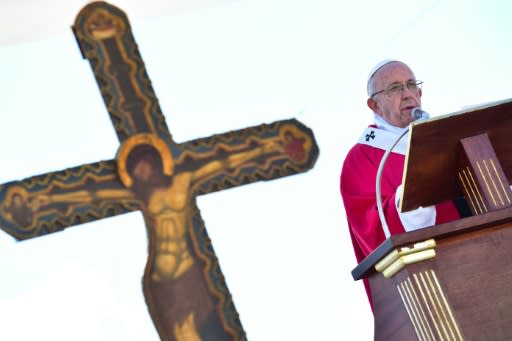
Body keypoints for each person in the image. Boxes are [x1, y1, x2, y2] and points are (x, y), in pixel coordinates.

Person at [339, 59, 464, 310]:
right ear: (374, 104)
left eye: (411, 85)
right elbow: (372, 227)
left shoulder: (445, 138)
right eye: (395, 88)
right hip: (430, 282)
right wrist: (416, 194)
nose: (407, 94)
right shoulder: (362, 158)